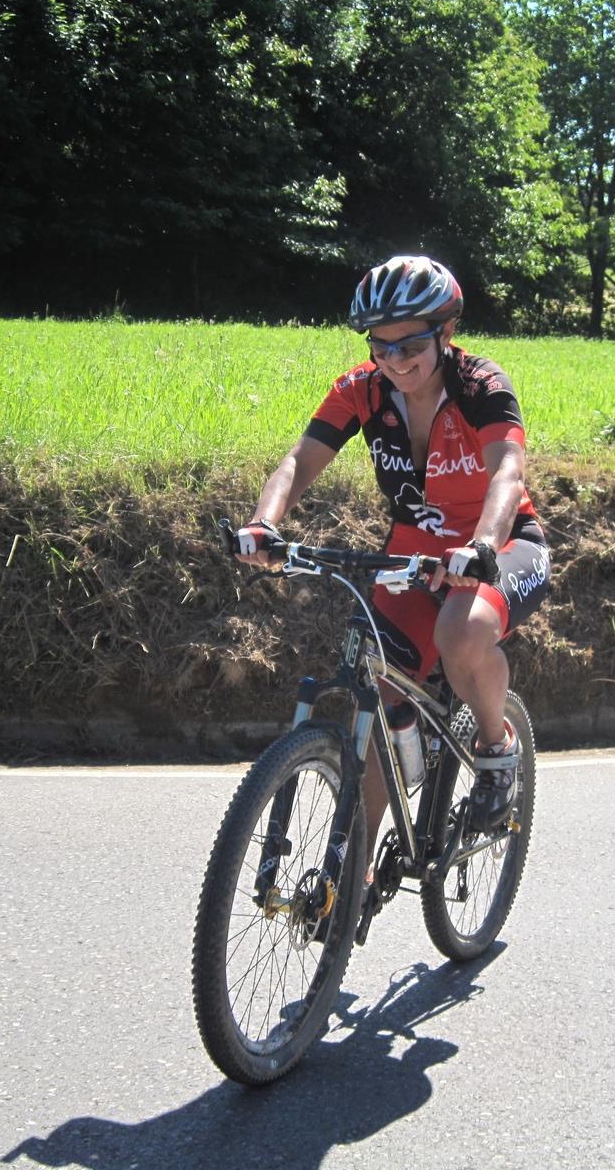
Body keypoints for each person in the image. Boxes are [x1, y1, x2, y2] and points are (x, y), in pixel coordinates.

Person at [235, 254, 551, 860]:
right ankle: (351, 874)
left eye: (410, 345)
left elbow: (507, 474)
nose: (395, 360)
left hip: (503, 542)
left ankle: (496, 749)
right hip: (415, 549)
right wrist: (264, 523)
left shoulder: (481, 385)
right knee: (378, 688)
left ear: (446, 332)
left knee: (461, 632)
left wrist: (483, 545)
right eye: (381, 346)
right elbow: (300, 461)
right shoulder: (360, 390)